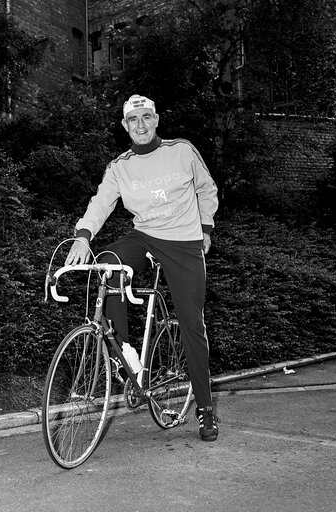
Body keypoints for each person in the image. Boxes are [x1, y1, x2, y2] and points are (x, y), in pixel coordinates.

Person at [65, 94, 219, 442]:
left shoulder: (182, 151)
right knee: (109, 262)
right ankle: (127, 355)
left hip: (183, 240)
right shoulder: (120, 166)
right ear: (125, 126)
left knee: (193, 324)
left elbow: (206, 189)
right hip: (145, 236)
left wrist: (205, 228)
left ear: (156, 119)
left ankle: (206, 409)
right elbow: (101, 202)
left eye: (146, 117)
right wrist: (82, 237)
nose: (140, 125)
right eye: (133, 120)